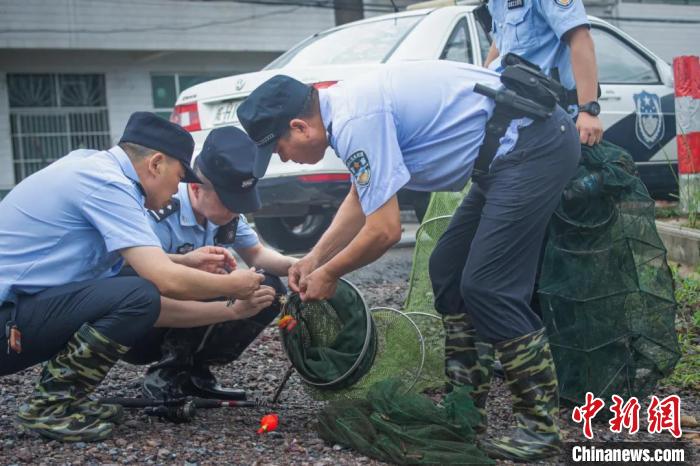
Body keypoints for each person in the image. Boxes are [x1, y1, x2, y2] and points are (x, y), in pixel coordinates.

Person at [237, 60, 580, 461]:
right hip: (504, 160)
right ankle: (466, 407)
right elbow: (363, 197)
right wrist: (314, 258)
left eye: (278, 149)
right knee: (448, 270)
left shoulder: (355, 119)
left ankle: (541, 427)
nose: (285, 159)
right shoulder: (346, 112)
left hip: (533, 148)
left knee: (489, 287)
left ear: (299, 127)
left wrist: (329, 273)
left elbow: (385, 230)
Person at [0, 112, 264, 442]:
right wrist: (234, 287)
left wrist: (188, 265)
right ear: (156, 164)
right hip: (7, 323)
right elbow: (160, 282)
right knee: (137, 294)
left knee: (130, 287)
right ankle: (49, 407)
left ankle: (66, 401)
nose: (176, 191)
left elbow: (125, 272)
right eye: (179, 177)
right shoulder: (107, 184)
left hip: (16, 314)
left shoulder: (91, 167)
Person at [124, 126, 297, 401]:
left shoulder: (226, 216)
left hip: (188, 309)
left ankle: (196, 370)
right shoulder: (159, 211)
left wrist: (299, 267)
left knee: (268, 288)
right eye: (229, 202)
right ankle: (167, 372)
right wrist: (202, 274)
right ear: (195, 187)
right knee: (211, 282)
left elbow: (257, 254)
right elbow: (137, 278)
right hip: (142, 324)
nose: (235, 211)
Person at [483, 0, 604, 146]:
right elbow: (501, 43)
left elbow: (580, 38)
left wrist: (588, 110)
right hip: (514, 113)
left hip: (551, 116)